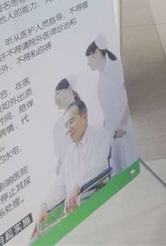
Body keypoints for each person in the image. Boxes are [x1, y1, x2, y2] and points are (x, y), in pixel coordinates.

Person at [33, 99, 110, 236]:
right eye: (66, 125)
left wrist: (77, 186)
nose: (68, 128)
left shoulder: (99, 134)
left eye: (71, 121)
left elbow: (99, 167)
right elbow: (60, 186)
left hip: (96, 205)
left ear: (84, 116)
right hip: (74, 217)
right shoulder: (70, 152)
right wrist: (45, 205)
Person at [85, 37, 132, 173]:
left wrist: (123, 123)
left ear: (96, 53)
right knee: (119, 169)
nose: (87, 63)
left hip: (125, 130)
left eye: (88, 58)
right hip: (114, 134)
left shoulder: (116, 68)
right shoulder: (101, 80)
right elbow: (108, 110)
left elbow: (128, 97)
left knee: (129, 163)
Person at [52, 79, 81, 174]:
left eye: (58, 94)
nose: (55, 98)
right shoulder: (58, 125)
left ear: (69, 89)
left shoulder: (82, 113)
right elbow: (61, 158)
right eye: (54, 96)